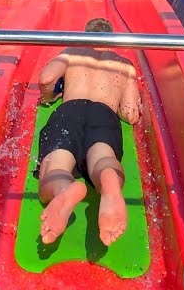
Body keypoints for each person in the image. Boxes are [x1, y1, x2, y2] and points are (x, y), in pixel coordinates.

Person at [34, 18, 142, 246]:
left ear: (85, 35)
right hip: (104, 114)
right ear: (112, 40)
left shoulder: (72, 52)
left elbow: (46, 78)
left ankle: (65, 188)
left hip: (69, 111)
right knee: (103, 157)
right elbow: (131, 114)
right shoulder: (124, 65)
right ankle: (108, 180)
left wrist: (48, 96)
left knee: (54, 167)